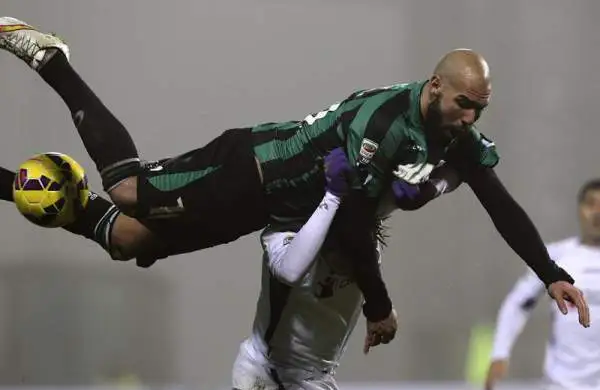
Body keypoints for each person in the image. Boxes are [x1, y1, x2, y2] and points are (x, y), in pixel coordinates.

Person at [0, 17, 590, 332]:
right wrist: (379, 305)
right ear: (436, 87)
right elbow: (354, 218)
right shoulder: (384, 121)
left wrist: (550, 273)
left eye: (480, 109)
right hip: (250, 169)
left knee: (129, 241)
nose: (471, 118)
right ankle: (52, 60)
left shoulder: (456, 135)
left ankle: (13, 185)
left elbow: (500, 203)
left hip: (267, 204)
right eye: (464, 104)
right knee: (126, 192)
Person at [232, 147, 396, 390]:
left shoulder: (366, 249)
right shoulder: (283, 238)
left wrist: (380, 309)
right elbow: (290, 272)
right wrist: (332, 196)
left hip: (318, 383)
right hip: (272, 379)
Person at [485, 179, 600, 390]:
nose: (597, 212)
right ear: (579, 209)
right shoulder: (556, 257)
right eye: (591, 204)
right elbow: (517, 303)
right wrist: (500, 352)